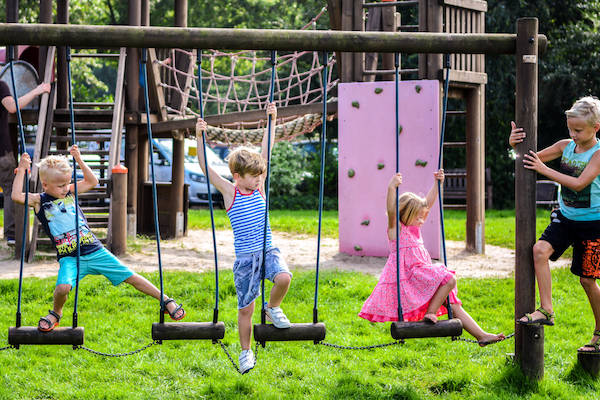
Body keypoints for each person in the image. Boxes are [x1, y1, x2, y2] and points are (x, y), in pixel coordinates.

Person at [12, 146, 186, 332]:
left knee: (131, 277)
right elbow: (16, 196)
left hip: (95, 251)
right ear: (45, 185)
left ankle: (166, 300)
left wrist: (78, 159)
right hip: (70, 258)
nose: (65, 188)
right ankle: (56, 313)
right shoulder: (39, 200)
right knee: (62, 288)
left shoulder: (71, 191)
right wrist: (22, 169)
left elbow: (92, 181)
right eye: (60, 186)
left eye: (67, 183)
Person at [195, 103, 292, 374]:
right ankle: (246, 352)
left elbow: (266, 154)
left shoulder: (259, 187)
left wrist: (271, 120)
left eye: (261, 175)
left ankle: (273, 307)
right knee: (246, 309)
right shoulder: (231, 192)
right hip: (246, 259)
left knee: (284, 278)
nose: (260, 179)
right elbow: (207, 170)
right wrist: (198, 136)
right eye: (254, 176)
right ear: (237, 177)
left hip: (268, 249)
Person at [358, 171, 505, 346]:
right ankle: (431, 312)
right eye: (418, 216)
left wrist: (437, 184)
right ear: (405, 214)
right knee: (449, 279)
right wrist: (391, 187)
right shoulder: (396, 231)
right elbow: (391, 211)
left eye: (423, 216)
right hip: (411, 277)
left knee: (453, 304)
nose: (422, 220)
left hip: (422, 275)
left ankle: (481, 335)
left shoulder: (415, 230)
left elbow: (428, 203)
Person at [511, 96, 600, 353]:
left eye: (578, 130)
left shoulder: (597, 154)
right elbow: (524, 159)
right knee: (539, 250)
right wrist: (512, 145)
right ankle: (546, 310)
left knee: (587, 280)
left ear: (596, 127)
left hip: (593, 224)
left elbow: (579, 183)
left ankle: (599, 331)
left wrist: (544, 170)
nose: (572, 134)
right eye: (570, 128)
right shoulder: (565, 145)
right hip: (566, 217)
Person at [0, 79, 51, 244]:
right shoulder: (1, 85)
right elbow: (12, 107)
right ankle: (11, 234)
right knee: (9, 189)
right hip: (1, 150)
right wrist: (37, 90)